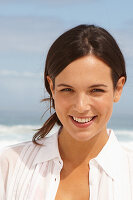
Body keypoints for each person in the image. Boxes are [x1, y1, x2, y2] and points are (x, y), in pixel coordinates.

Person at [0, 24, 133, 200]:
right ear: (52, 87)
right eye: (67, 90)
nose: (80, 106)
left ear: (118, 88)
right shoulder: (9, 166)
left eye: (96, 90)